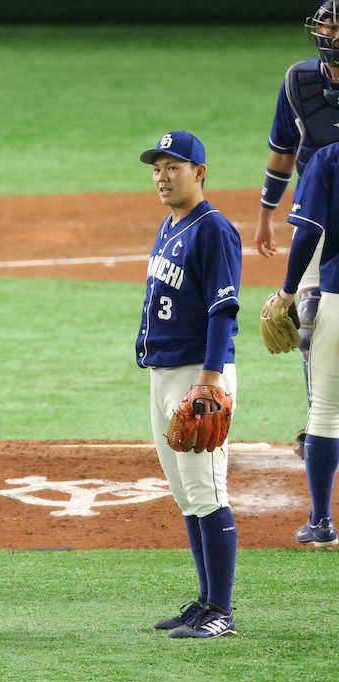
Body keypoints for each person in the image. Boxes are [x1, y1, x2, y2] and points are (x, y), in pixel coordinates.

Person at [136, 131, 242, 639]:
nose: (162, 176)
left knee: (208, 490)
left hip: (198, 377)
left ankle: (221, 613)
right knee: (186, 495)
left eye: (173, 167)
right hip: (165, 375)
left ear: (199, 172)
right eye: (157, 168)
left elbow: (223, 309)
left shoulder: (214, 229)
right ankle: (203, 602)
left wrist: (209, 381)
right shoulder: (170, 225)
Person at [254, 1, 339, 455]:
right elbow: (283, 150)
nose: (333, 33)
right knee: (308, 324)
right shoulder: (297, 81)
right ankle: (321, 422)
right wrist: (267, 213)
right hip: (316, 217)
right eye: (329, 24)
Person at [262, 140, 339, 548]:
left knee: (325, 412)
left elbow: (310, 230)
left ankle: (321, 522)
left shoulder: (328, 158)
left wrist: (289, 292)